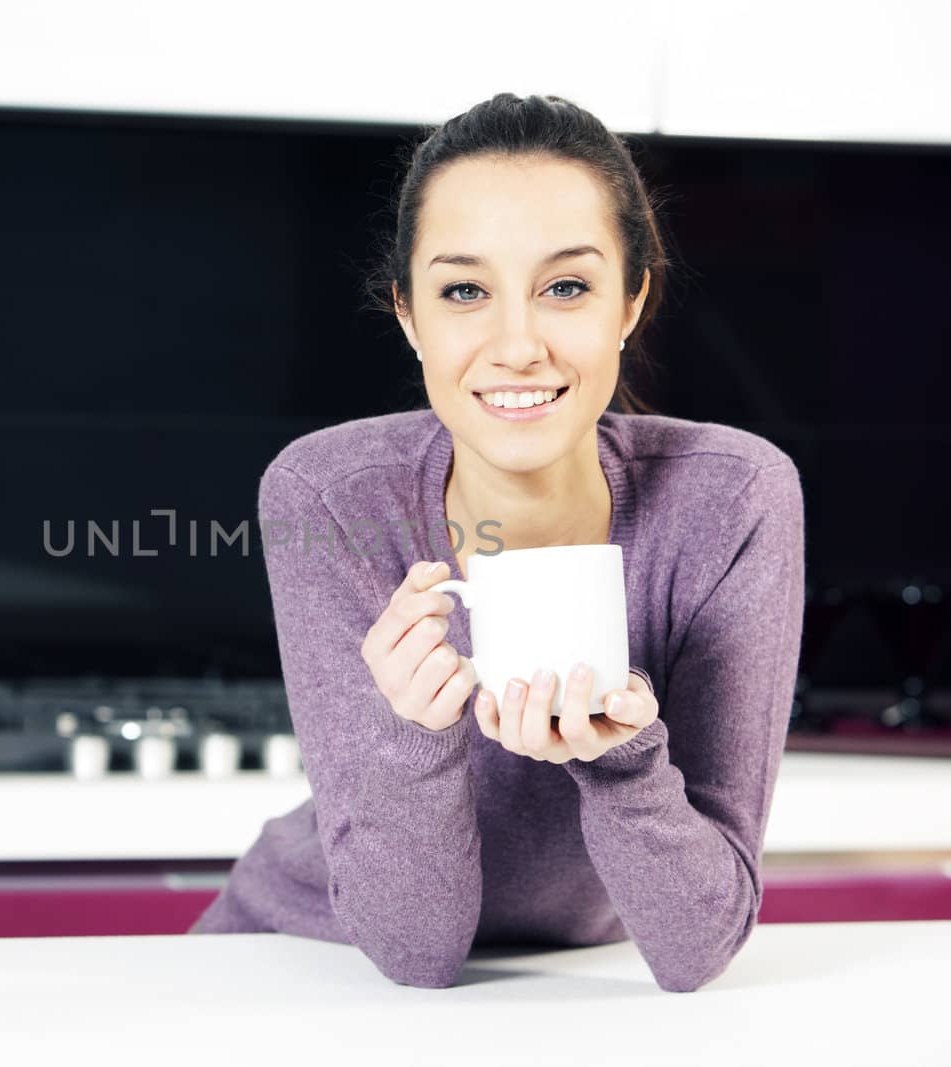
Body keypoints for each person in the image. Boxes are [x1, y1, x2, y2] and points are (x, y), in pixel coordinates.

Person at [188, 92, 806, 994]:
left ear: (631, 300)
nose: (517, 345)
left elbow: (697, 942)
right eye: (464, 291)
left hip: (575, 993)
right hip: (305, 964)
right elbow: (412, 953)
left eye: (565, 287)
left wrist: (619, 757)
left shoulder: (733, 499)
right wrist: (412, 736)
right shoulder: (329, 495)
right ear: (407, 312)